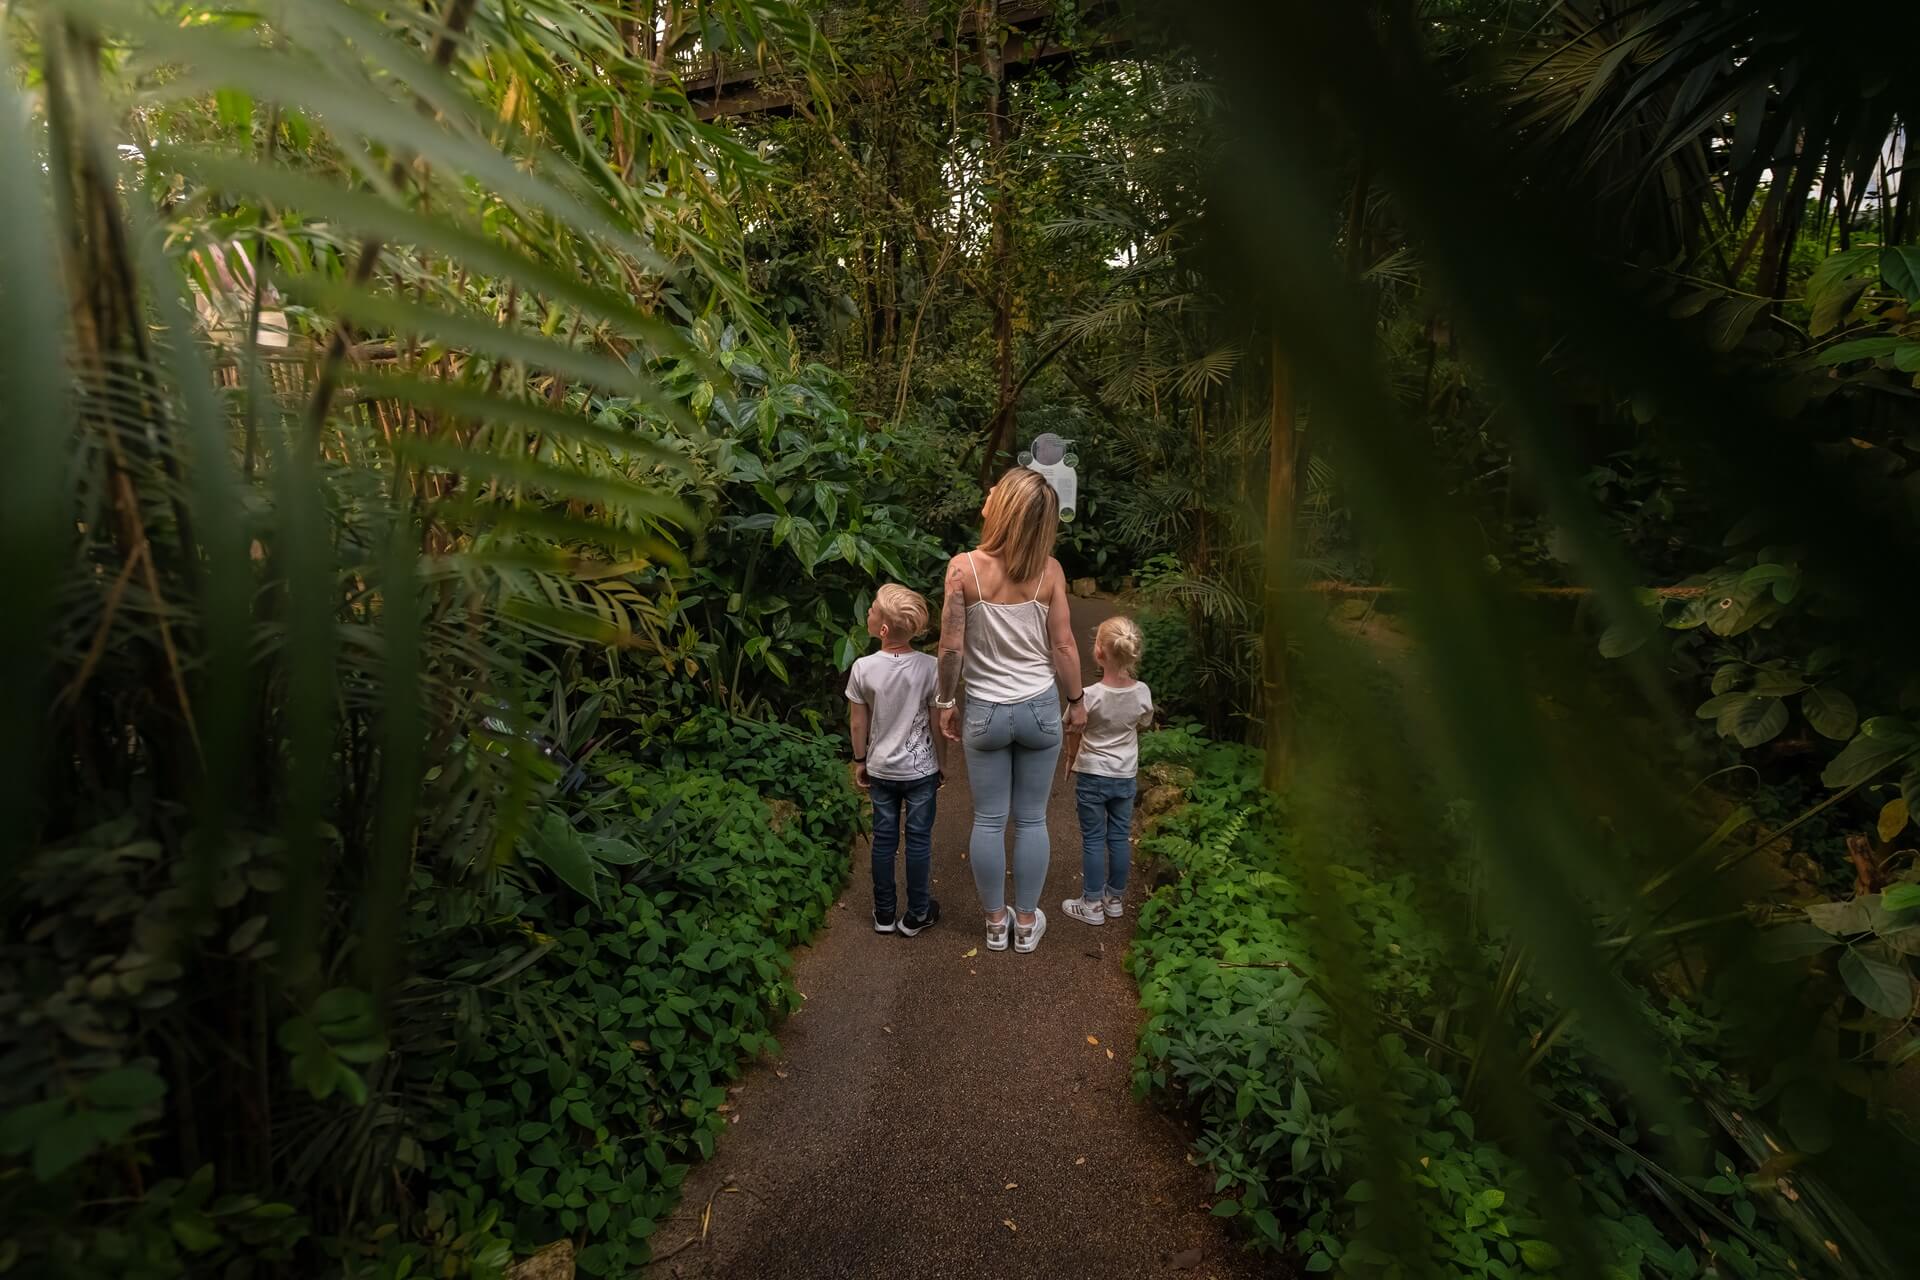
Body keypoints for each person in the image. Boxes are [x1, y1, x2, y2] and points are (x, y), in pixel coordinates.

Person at [935, 469, 1086, 954]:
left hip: (985, 711)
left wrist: (945, 701)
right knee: (1033, 820)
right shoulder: (1051, 571)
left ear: (1006, 509)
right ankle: (1026, 924)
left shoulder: (963, 569)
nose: (989, 491)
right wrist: (1077, 701)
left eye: (997, 489)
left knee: (989, 820)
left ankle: (995, 925)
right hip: (1040, 710)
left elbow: (951, 646)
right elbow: (1062, 645)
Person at [847, 584, 945, 936]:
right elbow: (937, 722)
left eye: (872, 610)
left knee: (884, 841)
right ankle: (917, 913)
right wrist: (942, 763)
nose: (869, 613)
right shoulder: (931, 668)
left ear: (883, 630)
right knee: (918, 840)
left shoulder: (863, 668)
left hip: (881, 770)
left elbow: (859, 721)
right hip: (921, 771)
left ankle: (885, 914)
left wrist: (860, 759)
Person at [1061, 616, 1153, 927]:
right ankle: (1114, 899)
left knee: (1093, 838)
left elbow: (1073, 726)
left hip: (1092, 773)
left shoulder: (1089, 695)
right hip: (1125, 775)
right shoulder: (1142, 692)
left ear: (1099, 652)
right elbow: (1144, 723)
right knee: (1119, 836)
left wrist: (1070, 757)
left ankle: (1091, 903)